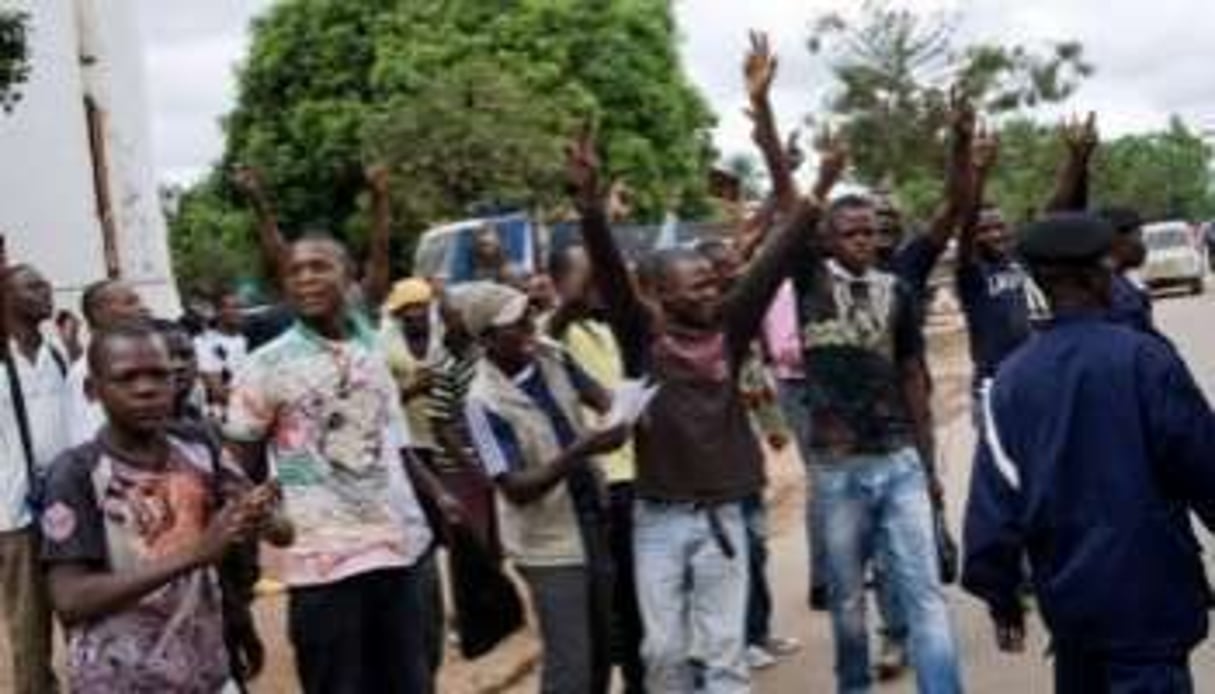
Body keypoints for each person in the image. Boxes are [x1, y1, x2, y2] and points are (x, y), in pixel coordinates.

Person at [572, 118, 842, 691]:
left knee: (724, 659)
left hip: (723, 513)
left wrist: (818, 189)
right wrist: (591, 208)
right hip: (659, 518)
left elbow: (773, 259)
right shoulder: (642, 338)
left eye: (712, 283)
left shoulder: (732, 328)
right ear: (660, 295)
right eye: (695, 286)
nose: (710, 291)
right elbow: (611, 275)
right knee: (663, 652)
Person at [962, 212, 1215, 692]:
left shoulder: (1009, 382)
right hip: (1151, 604)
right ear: (1102, 273)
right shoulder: (1144, 359)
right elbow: (1202, 465)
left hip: (1073, 610)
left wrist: (1002, 597)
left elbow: (994, 510)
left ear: (1037, 281)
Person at [225, 234, 449, 694]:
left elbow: (394, 446)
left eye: (319, 266)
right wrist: (267, 517)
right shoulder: (265, 366)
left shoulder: (370, 355)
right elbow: (238, 471)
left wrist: (436, 498)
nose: (306, 278)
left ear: (348, 277)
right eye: (294, 270)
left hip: (394, 555)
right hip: (321, 568)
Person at [39, 322, 284, 693]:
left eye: (158, 375)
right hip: (120, 679)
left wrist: (264, 515)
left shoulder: (198, 444)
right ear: (93, 390)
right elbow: (70, 599)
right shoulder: (75, 474)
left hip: (207, 671)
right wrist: (195, 554)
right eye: (127, 378)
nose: (146, 389)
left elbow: (279, 532)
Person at [792, 193, 962, 694]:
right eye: (851, 232)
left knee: (925, 594)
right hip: (837, 469)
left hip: (898, 461)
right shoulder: (809, 282)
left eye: (869, 232)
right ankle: (853, 685)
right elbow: (789, 209)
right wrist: (785, 157)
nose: (864, 241)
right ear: (826, 239)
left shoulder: (898, 292)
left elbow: (913, 376)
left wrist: (928, 467)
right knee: (847, 600)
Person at [462, 281, 626, 694]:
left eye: (528, 317)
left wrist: (621, 416)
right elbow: (514, 487)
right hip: (547, 543)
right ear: (486, 340)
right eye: (513, 325)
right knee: (570, 661)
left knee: (603, 647)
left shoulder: (553, 357)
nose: (527, 328)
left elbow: (603, 399)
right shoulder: (482, 402)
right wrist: (582, 447)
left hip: (592, 515)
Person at [547, 243, 647, 691]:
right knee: (603, 613)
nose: (598, 284)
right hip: (598, 483)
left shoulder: (605, 329)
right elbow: (567, 305)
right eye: (588, 276)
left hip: (633, 476)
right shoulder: (550, 333)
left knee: (635, 600)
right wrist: (597, 220)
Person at [0, 263, 70, 694]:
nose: (46, 290)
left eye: (46, 282)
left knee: (86, 612)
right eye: (32, 285)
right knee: (30, 629)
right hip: (14, 515)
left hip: (66, 507)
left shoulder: (57, 352)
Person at [64, 279, 150, 446]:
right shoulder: (86, 371)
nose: (143, 308)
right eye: (130, 302)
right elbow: (89, 438)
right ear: (99, 313)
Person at [195, 290, 250, 421]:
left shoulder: (245, 340)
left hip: (247, 415)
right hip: (219, 417)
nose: (238, 311)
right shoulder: (204, 342)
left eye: (240, 307)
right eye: (232, 307)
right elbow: (217, 391)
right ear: (217, 311)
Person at [1098, 209, 1154, 333]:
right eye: (1138, 235)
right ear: (1117, 239)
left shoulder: (1118, 280)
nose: (1142, 246)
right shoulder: (1111, 289)